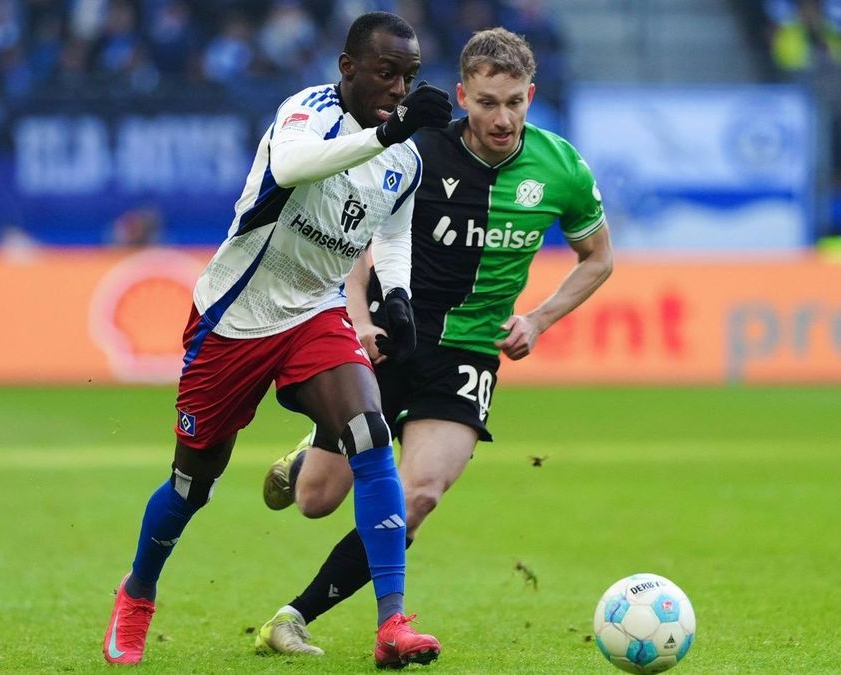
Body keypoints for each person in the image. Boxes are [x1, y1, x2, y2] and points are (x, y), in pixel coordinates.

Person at [101, 11, 452, 667]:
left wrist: (398, 295)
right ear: (347, 69)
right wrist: (392, 131)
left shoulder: (403, 156)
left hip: (314, 314)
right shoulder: (306, 114)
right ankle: (139, 591)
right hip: (234, 317)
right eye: (385, 73)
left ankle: (392, 622)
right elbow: (292, 167)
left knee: (371, 434)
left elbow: (393, 230)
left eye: (408, 77)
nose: (398, 89)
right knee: (190, 484)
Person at [253, 26, 614, 658]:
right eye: (486, 103)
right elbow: (363, 243)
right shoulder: (421, 153)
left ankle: (293, 617)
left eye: (514, 103)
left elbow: (597, 258)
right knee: (315, 501)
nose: (501, 119)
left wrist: (538, 319)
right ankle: (308, 457)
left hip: (469, 355)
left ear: (531, 95)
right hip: (393, 335)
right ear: (461, 96)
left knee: (418, 496)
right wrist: (359, 318)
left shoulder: (561, 168)